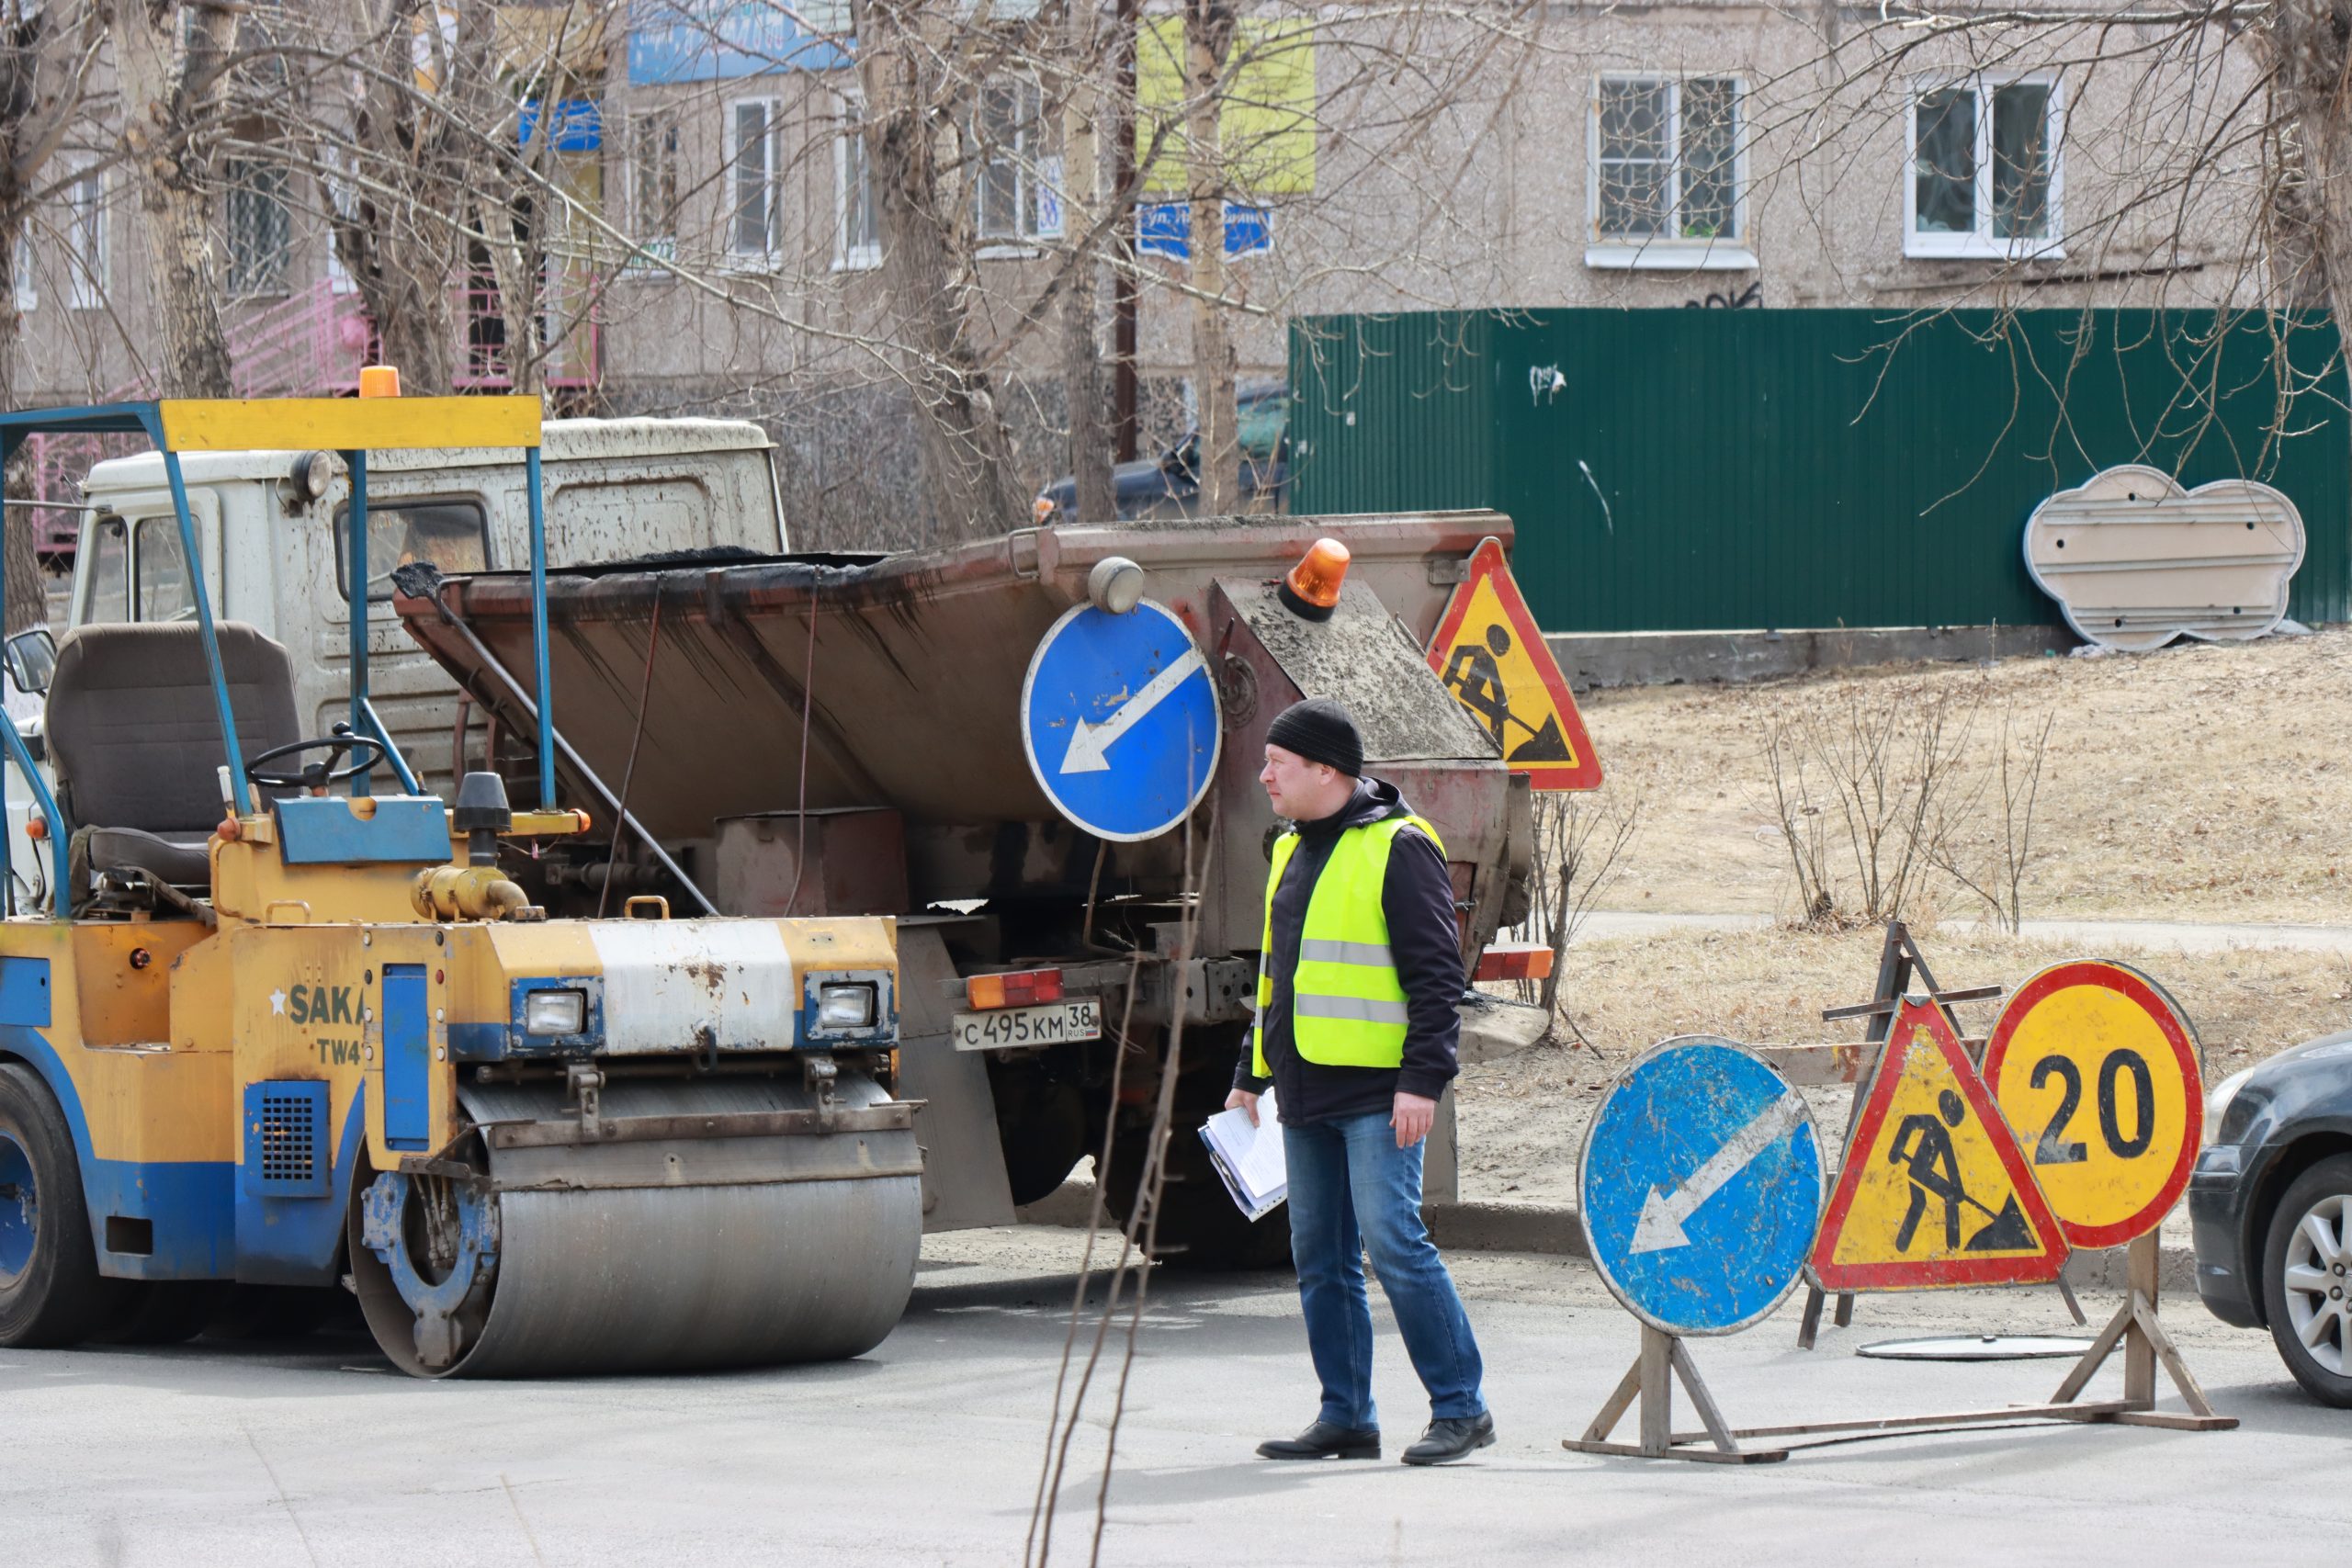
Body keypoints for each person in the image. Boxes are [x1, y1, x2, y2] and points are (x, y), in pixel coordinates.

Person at [1229, 697, 1494, 1467]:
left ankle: (1462, 1406)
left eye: (1278, 762)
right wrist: (1250, 1073)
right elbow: (1276, 976)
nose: (1264, 773)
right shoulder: (1289, 847)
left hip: (1380, 1095)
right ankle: (1346, 1413)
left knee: (1394, 1242)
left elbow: (1440, 979)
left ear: (1327, 770)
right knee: (1320, 1254)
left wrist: (1423, 1081)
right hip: (1304, 1091)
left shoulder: (1400, 846)